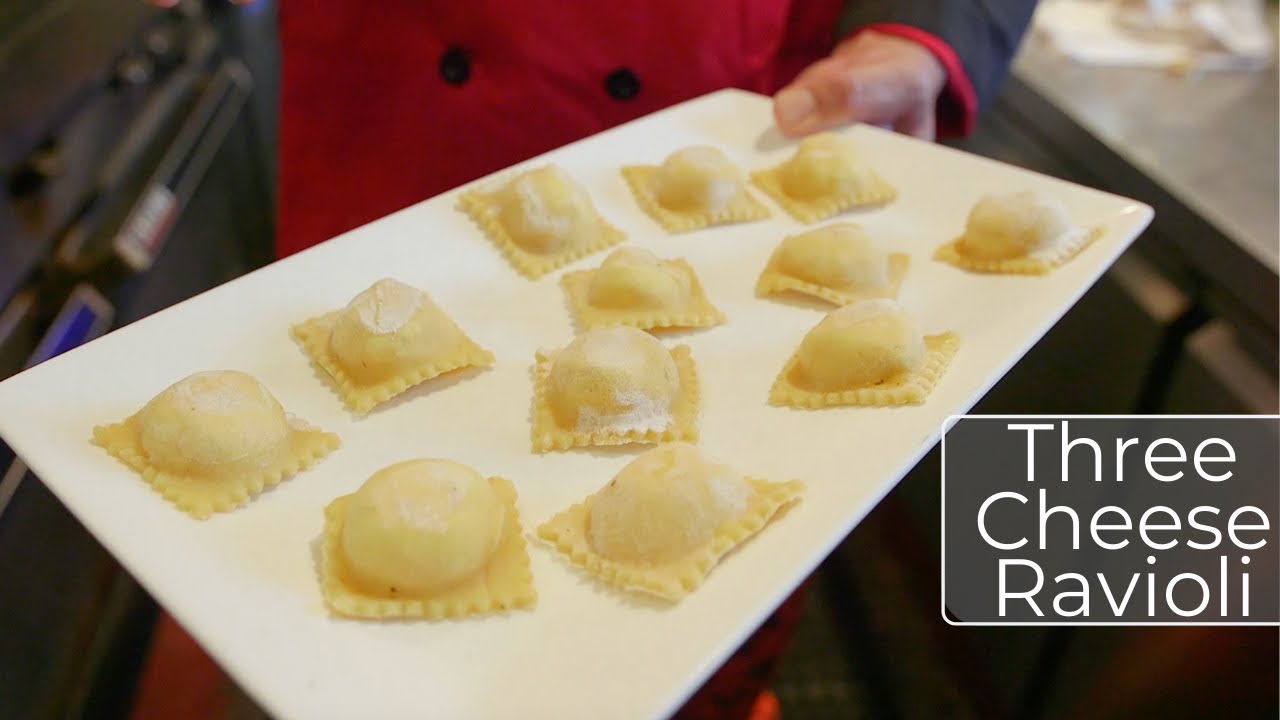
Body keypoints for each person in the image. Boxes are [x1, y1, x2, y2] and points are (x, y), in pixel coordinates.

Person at [138, 2, 1039, 719]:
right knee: (336, 649)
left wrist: (924, 28)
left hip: (721, 123)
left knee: (693, 634)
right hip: (394, 137)